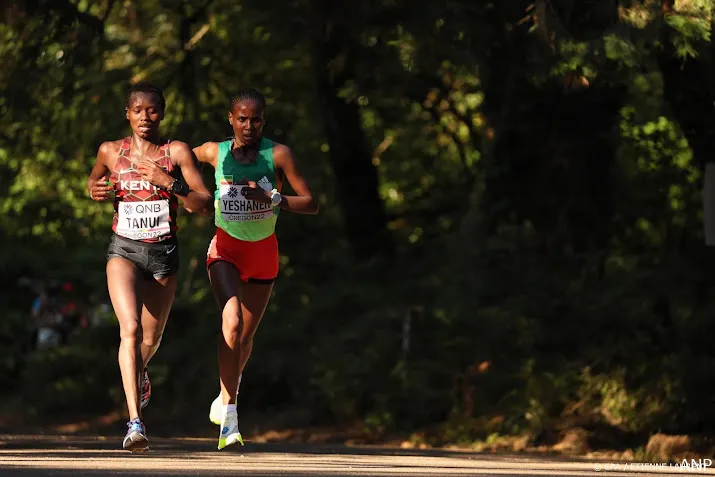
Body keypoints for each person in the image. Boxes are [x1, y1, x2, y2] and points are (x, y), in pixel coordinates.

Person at [86, 82, 211, 452]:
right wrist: (94, 188)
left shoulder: (176, 151)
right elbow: (94, 179)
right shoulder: (111, 150)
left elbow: (202, 203)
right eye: (137, 110)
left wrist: (168, 182)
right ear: (127, 113)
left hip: (163, 255)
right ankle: (135, 421)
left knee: (150, 341)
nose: (145, 117)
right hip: (123, 249)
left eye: (152, 110)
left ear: (162, 113)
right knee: (131, 329)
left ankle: (139, 375)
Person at [193, 88, 319, 450]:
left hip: (264, 253)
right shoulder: (213, 152)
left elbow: (311, 203)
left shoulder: (278, 155)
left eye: (256, 119)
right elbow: (183, 159)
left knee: (244, 339)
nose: (249, 125)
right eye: (242, 119)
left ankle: (223, 395)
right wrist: (198, 196)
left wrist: (271, 198)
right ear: (230, 119)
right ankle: (230, 418)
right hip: (225, 250)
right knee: (230, 322)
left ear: (264, 120)